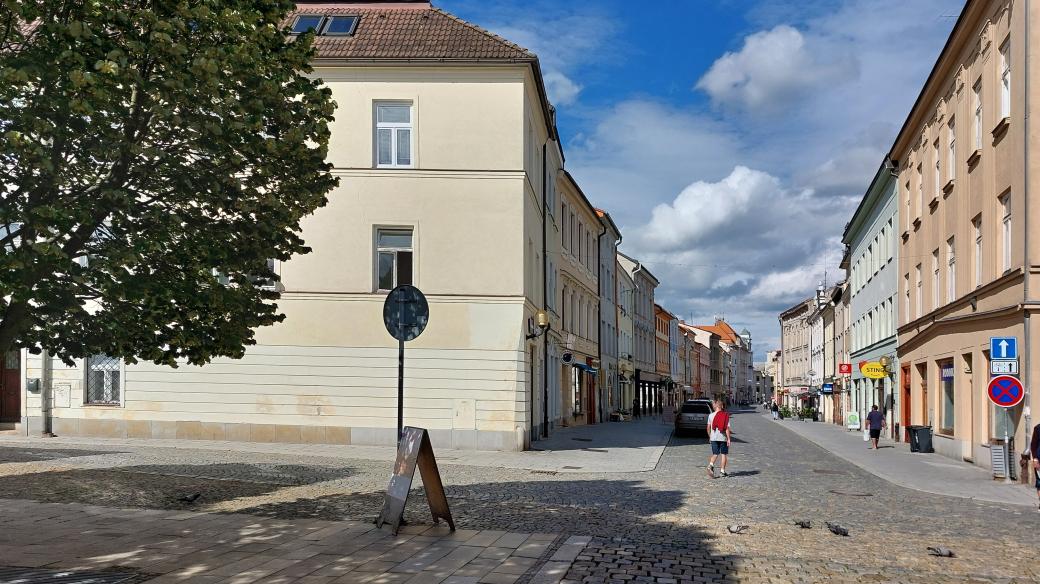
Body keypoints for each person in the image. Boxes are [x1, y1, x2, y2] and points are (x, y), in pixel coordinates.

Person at [706, 399, 732, 478]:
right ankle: (722, 471)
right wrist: (729, 439)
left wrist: (710, 436)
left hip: (713, 437)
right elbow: (727, 429)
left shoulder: (711, 415)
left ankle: (710, 465)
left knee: (715, 453)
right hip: (722, 437)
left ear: (716, 406)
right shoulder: (725, 415)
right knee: (723, 454)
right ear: (722, 406)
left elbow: (708, 427)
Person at [1031, 422, 1039, 512]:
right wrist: (1035, 459)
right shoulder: (1038, 428)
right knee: (1039, 483)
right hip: (1039, 460)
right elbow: (1033, 445)